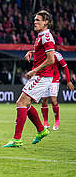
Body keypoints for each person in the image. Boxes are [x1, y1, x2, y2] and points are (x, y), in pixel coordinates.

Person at [4, 10, 55, 147]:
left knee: (20, 103)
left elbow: (51, 59)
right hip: (40, 75)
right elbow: (44, 53)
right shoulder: (41, 36)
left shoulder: (46, 37)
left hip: (42, 76)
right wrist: (32, 52)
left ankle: (17, 139)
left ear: (46, 22)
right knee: (25, 104)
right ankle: (41, 130)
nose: (35, 22)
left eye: (38, 20)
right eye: (34, 20)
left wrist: (34, 70)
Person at [41, 51, 74, 130]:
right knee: (44, 100)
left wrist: (68, 81)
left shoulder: (57, 55)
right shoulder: (41, 54)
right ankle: (46, 122)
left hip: (54, 80)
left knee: (53, 100)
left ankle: (57, 120)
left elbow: (65, 67)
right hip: (44, 79)